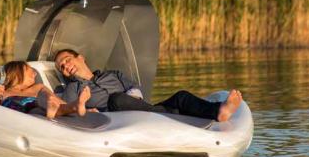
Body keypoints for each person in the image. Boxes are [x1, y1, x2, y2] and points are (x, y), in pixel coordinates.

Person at [54, 49, 243, 122]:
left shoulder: (113, 74)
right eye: (61, 67)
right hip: (115, 118)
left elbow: (134, 89)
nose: (65, 66)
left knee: (181, 96)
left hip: (143, 109)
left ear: (81, 58)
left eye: (67, 60)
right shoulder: (73, 89)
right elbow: (67, 111)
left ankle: (219, 111)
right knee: (116, 99)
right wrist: (87, 111)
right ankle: (174, 115)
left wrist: (134, 98)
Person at [0, 61, 91, 119]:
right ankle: (70, 108)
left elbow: (56, 101)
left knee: (41, 105)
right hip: (14, 112)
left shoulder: (38, 87)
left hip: (33, 110)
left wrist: (83, 109)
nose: (35, 73)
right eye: (30, 70)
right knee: (40, 106)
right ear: (17, 73)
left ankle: (75, 106)